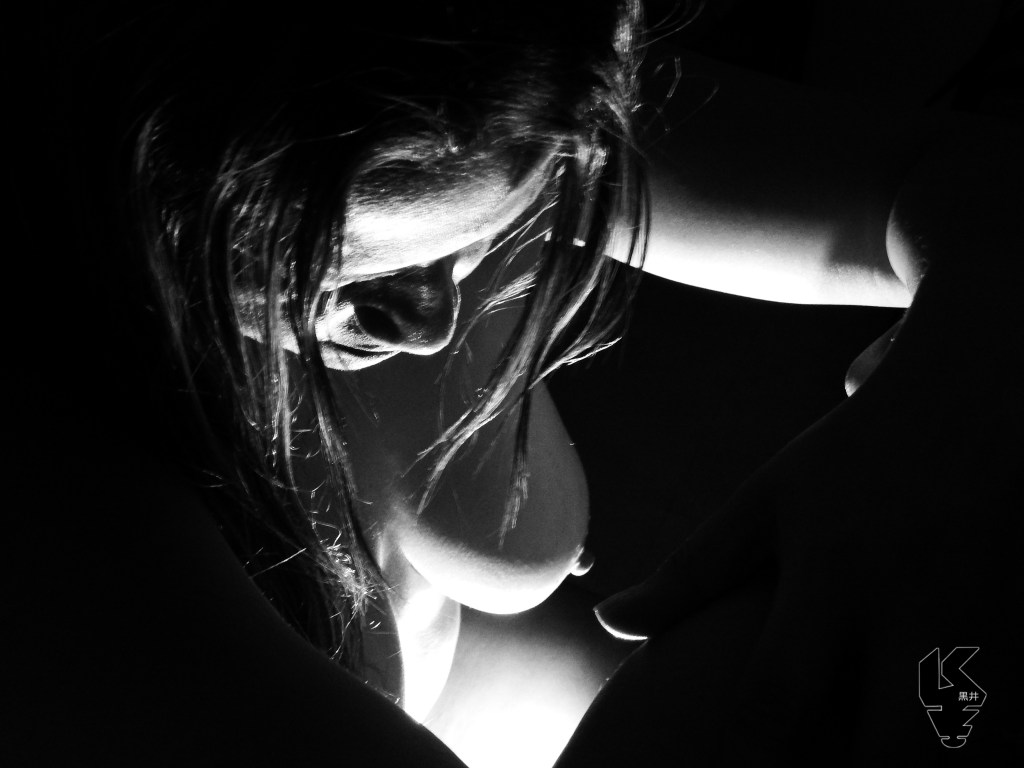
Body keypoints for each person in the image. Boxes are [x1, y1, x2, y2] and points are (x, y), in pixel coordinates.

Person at [20, 0, 1020, 764]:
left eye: (481, 237)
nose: (429, 321)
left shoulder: (475, 86)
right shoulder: (60, 500)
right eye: (341, 269)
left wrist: (926, 429)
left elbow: (976, 194)